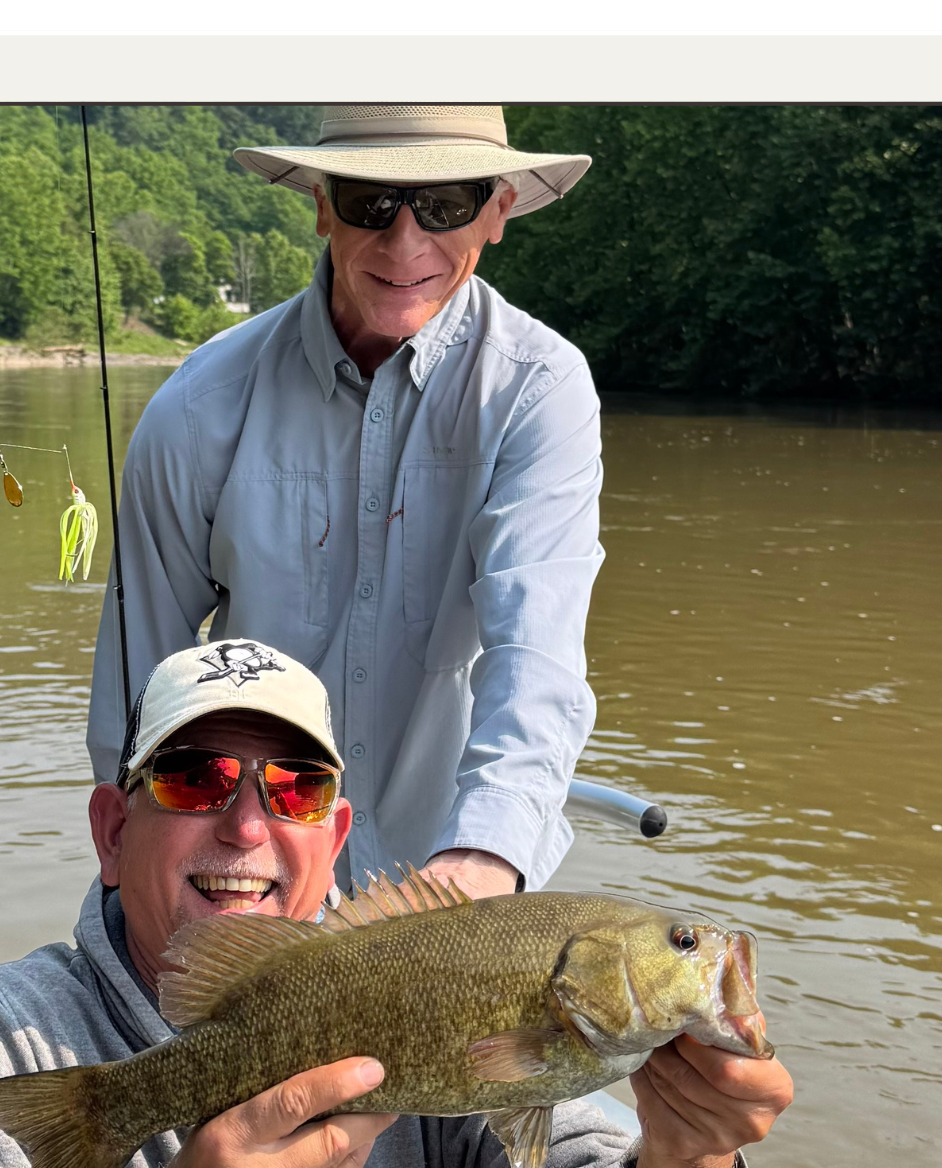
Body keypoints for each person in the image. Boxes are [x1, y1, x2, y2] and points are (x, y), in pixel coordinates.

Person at [0, 642, 794, 1168]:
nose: (248, 828)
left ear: (335, 837)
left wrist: (687, 1159)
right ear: (111, 831)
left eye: (296, 790)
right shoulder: (3, 1034)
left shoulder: (454, 990)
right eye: (193, 779)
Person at [87, 104, 604, 905]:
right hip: (239, 870)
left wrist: (487, 851)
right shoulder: (198, 404)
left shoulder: (539, 391)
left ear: (497, 211)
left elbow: (534, 655)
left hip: (444, 881)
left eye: (444, 204)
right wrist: (149, 880)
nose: (405, 243)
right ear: (322, 204)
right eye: (371, 201)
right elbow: (139, 680)